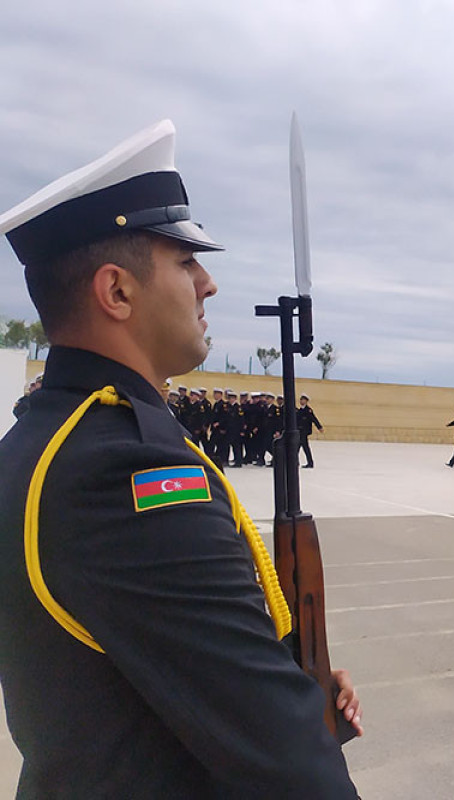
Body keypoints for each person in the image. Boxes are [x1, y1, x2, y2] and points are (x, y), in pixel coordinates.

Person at [0, 120, 360, 796]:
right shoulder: (125, 473)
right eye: (186, 261)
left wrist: (285, 667)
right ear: (117, 292)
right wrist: (279, 703)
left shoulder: (48, 439)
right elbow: (285, 760)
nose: (209, 283)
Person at [297, 393, 324, 468]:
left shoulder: (308, 410)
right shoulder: (299, 410)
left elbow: (314, 419)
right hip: (299, 431)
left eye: (303, 400)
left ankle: (310, 463)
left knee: (304, 448)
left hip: (304, 431)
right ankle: (296, 462)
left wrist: (319, 427)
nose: (301, 401)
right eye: (301, 399)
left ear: (306, 401)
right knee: (297, 448)